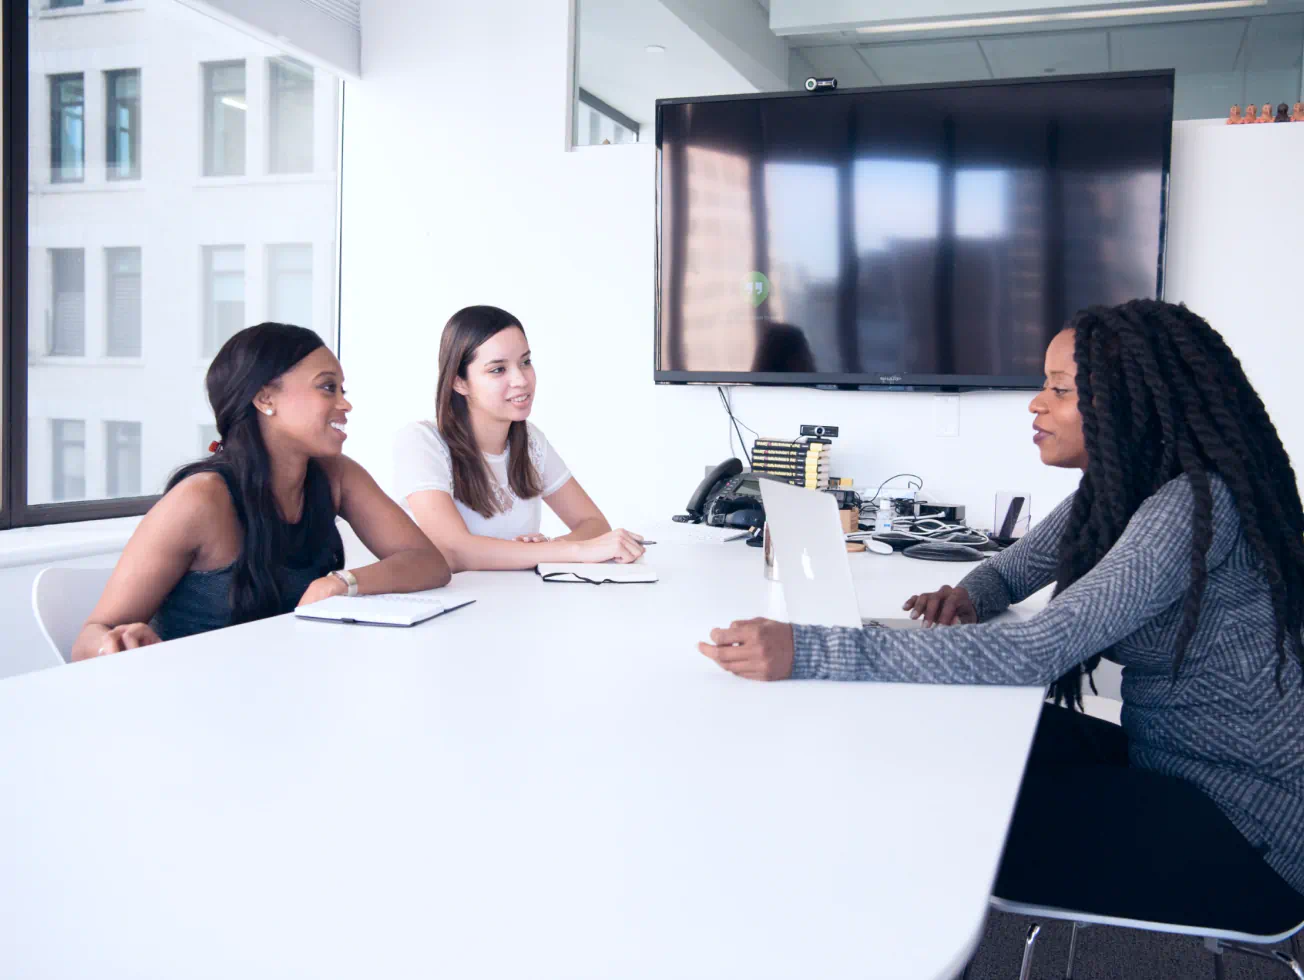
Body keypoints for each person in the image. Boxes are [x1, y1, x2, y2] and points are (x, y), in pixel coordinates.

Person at [698, 299, 1304, 932]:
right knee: (958, 737)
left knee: (939, 808)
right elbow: (1014, 568)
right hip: (1171, 766)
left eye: (1060, 389)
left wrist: (812, 650)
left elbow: (1036, 650)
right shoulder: (1122, 495)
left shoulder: (1189, 508)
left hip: (1246, 830)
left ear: (1132, 403)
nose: (1036, 403)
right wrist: (971, 595)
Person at [72, 323, 450, 660]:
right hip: (199, 703)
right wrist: (115, 643)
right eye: (327, 387)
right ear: (265, 398)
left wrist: (340, 583)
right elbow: (88, 640)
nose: (345, 403)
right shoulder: (200, 500)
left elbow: (428, 562)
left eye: (341, 389)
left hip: (288, 689)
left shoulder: (336, 476)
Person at [394, 305, 644, 571]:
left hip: (520, 603)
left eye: (525, 362)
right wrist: (562, 550)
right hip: (455, 605)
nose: (521, 380)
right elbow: (455, 550)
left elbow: (593, 524)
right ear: (459, 382)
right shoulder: (423, 441)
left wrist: (546, 549)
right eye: (498, 370)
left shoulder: (530, 441)